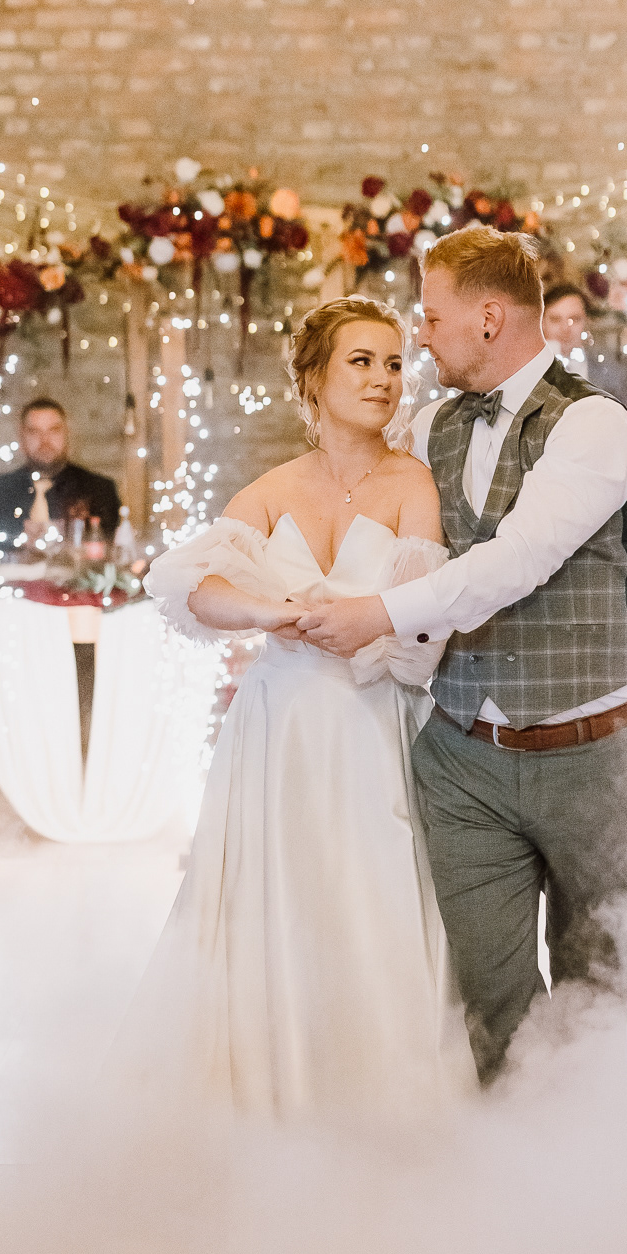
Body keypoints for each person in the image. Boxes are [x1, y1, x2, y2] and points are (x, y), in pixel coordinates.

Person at [298, 227, 627, 1088]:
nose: (420, 336)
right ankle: (511, 1162)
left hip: (591, 760)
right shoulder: (430, 427)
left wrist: (373, 615)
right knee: (490, 1002)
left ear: (488, 319)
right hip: (460, 759)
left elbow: (512, 563)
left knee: (591, 993)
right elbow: (356, 495)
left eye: (430, 317)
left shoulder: (593, 424)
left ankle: (595, 1157)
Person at [124, 295, 471, 1115]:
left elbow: (421, 623)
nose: (383, 379)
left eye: (394, 363)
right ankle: (269, 1093)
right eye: (362, 361)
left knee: (369, 899)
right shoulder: (272, 488)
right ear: (313, 378)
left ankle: (379, 1099)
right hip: (275, 730)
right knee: (270, 904)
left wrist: (364, 626)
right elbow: (187, 587)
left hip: (370, 725)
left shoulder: (412, 483)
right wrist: (266, 610)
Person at [0, 398, 120, 554]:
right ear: (21, 437)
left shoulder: (98, 489)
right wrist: (19, 539)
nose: (45, 441)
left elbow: (109, 551)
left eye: (54, 430)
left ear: (67, 434)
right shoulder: (0, 490)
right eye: (34, 432)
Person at [541, 282, 591, 378]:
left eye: (574, 319)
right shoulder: (527, 369)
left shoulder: (609, 367)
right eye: (555, 320)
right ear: (542, 323)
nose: (565, 329)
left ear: (587, 321)